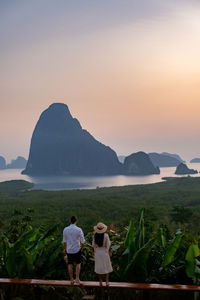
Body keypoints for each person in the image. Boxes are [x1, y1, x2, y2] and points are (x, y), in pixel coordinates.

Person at [63, 216, 85, 285]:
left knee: (70, 264)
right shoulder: (79, 229)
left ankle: (72, 279)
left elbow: (64, 241)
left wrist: (65, 249)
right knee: (78, 263)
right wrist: (81, 248)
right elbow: (83, 241)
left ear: (70, 221)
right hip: (77, 249)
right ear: (76, 221)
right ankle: (77, 278)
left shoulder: (65, 229)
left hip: (69, 250)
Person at [92, 222, 113, 287]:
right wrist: (107, 251)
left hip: (98, 252)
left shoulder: (94, 236)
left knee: (99, 267)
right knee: (106, 266)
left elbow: (93, 245)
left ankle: (100, 281)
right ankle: (107, 281)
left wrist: (95, 252)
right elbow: (108, 245)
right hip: (104, 252)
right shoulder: (106, 235)